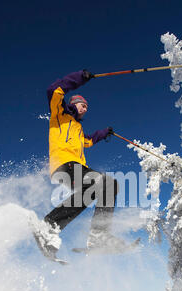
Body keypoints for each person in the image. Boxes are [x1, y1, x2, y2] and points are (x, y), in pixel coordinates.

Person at [34, 69, 126, 260]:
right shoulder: (60, 113)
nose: (85, 109)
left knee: (107, 185)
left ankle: (96, 235)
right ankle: (50, 224)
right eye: (82, 105)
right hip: (64, 164)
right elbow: (54, 90)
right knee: (103, 184)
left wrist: (105, 132)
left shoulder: (78, 128)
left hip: (77, 167)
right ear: (74, 104)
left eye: (86, 107)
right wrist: (79, 79)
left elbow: (89, 141)